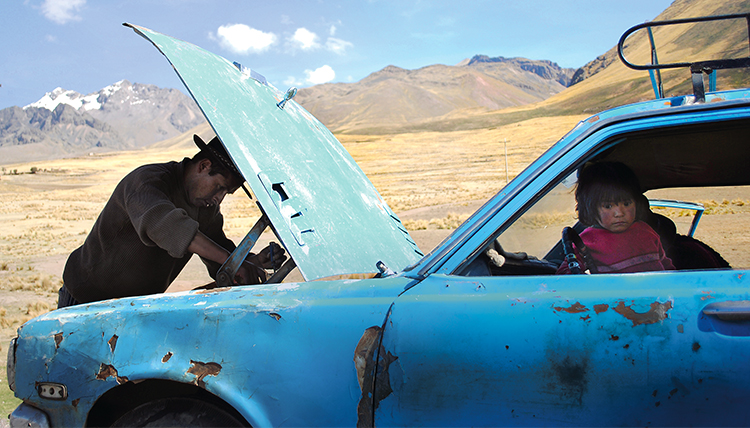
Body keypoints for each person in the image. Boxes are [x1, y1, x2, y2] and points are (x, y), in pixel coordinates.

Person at [58, 134, 286, 308]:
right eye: (220, 188)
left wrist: (249, 261)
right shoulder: (147, 182)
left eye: (226, 193)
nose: (219, 198)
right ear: (204, 166)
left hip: (130, 309)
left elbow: (217, 252)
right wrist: (234, 261)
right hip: (84, 300)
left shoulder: (206, 209)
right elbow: (164, 224)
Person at [557, 161, 674, 274]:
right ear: (591, 208)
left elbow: (667, 267)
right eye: (608, 206)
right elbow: (565, 277)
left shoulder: (646, 231)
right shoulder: (586, 241)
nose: (619, 213)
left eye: (627, 203)